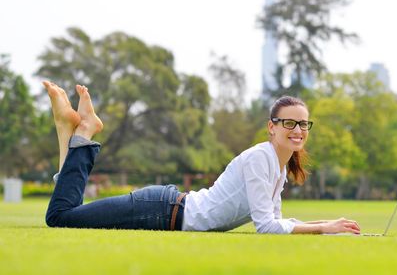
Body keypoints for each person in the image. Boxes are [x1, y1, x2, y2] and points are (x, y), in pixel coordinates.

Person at [44, 81, 361, 235]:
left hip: (166, 210)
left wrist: (329, 224)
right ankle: (83, 132)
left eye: (303, 124)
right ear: (272, 127)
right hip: (160, 211)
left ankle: (72, 133)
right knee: (60, 218)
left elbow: (277, 221)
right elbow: (266, 227)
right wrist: (323, 229)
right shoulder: (260, 159)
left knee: (67, 214)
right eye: (289, 123)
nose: (297, 130)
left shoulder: (277, 166)